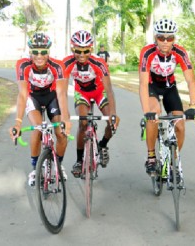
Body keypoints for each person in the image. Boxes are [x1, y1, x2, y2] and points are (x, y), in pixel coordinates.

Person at [9, 32, 71, 186]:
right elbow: (23, 95)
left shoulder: (57, 65)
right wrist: (17, 122)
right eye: (35, 52)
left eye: (43, 52)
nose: (39, 56)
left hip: (51, 97)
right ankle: (35, 168)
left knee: (61, 133)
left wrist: (65, 118)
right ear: (30, 52)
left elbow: (62, 93)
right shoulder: (23, 65)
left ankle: (58, 164)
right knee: (38, 128)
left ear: (48, 52)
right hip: (33, 97)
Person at [139, 18, 195, 176]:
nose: (165, 42)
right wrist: (147, 111)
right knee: (154, 114)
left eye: (170, 38)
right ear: (155, 38)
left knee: (180, 124)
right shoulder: (147, 52)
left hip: (169, 88)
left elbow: (191, 80)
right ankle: (151, 157)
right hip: (152, 86)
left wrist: (193, 105)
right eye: (161, 38)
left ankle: (174, 160)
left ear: (174, 39)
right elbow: (143, 84)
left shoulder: (180, 52)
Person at [63, 30, 119, 178]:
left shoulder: (99, 63)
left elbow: (109, 90)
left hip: (100, 92)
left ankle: (103, 145)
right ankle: (79, 160)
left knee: (112, 123)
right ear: (72, 49)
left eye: (86, 51)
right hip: (82, 93)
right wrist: (65, 115)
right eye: (78, 50)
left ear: (91, 49)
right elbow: (61, 91)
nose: (82, 54)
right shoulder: (67, 63)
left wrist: (113, 114)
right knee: (83, 122)